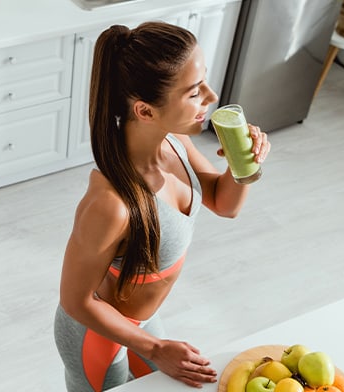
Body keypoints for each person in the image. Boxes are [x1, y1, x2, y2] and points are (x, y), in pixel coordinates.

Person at [54, 21, 271, 392]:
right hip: (97, 336)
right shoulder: (110, 204)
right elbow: (76, 301)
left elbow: (224, 203)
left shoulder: (174, 143)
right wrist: (155, 348)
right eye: (194, 93)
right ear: (145, 111)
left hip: (142, 320)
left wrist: (243, 166)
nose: (212, 96)